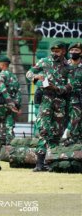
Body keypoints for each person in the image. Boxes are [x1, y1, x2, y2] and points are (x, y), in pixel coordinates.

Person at [26, 41, 72, 172]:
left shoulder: (68, 66)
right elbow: (28, 73)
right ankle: (39, 164)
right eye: (53, 51)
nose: (54, 53)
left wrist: (57, 88)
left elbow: (70, 86)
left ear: (63, 51)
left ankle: (52, 162)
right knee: (43, 130)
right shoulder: (44, 61)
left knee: (57, 133)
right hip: (46, 100)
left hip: (60, 102)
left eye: (57, 51)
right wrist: (36, 76)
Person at [0, 56, 21, 145]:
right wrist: (17, 105)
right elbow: (18, 92)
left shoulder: (0, 75)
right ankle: (9, 151)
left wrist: (9, 101)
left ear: (2, 65)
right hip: (12, 107)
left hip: (0, 105)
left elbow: (2, 89)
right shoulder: (14, 76)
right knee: (9, 128)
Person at [66, 43, 82, 145]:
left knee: (77, 119)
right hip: (65, 98)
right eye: (72, 50)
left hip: (79, 98)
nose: (73, 52)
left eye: (76, 50)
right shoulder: (64, 65)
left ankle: (75, 140)